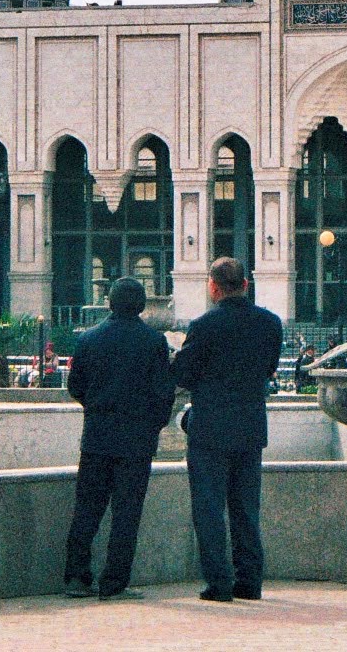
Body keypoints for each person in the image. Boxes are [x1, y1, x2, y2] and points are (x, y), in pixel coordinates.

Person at [172, 257, 284, 603]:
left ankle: (218, 583)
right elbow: (269, 369)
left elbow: (183, 375)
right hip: (250, 427)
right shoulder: (270, 323)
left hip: (209, 430)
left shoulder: (203, 325)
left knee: (209, 509)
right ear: (246, 285)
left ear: (213, 287)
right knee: (246, 509)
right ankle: (250, 581)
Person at [62, 277, 175, 601]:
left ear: (109, 302)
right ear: (141, 305)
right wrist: (154, 424)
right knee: (127, 514)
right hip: (136, 441)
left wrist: (96, 407)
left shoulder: (89, 339)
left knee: (86, 510)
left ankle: (76, 577)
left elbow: (76, 387)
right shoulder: (153, 342)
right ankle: (114, 583)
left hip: (97, 437)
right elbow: (163, 392)